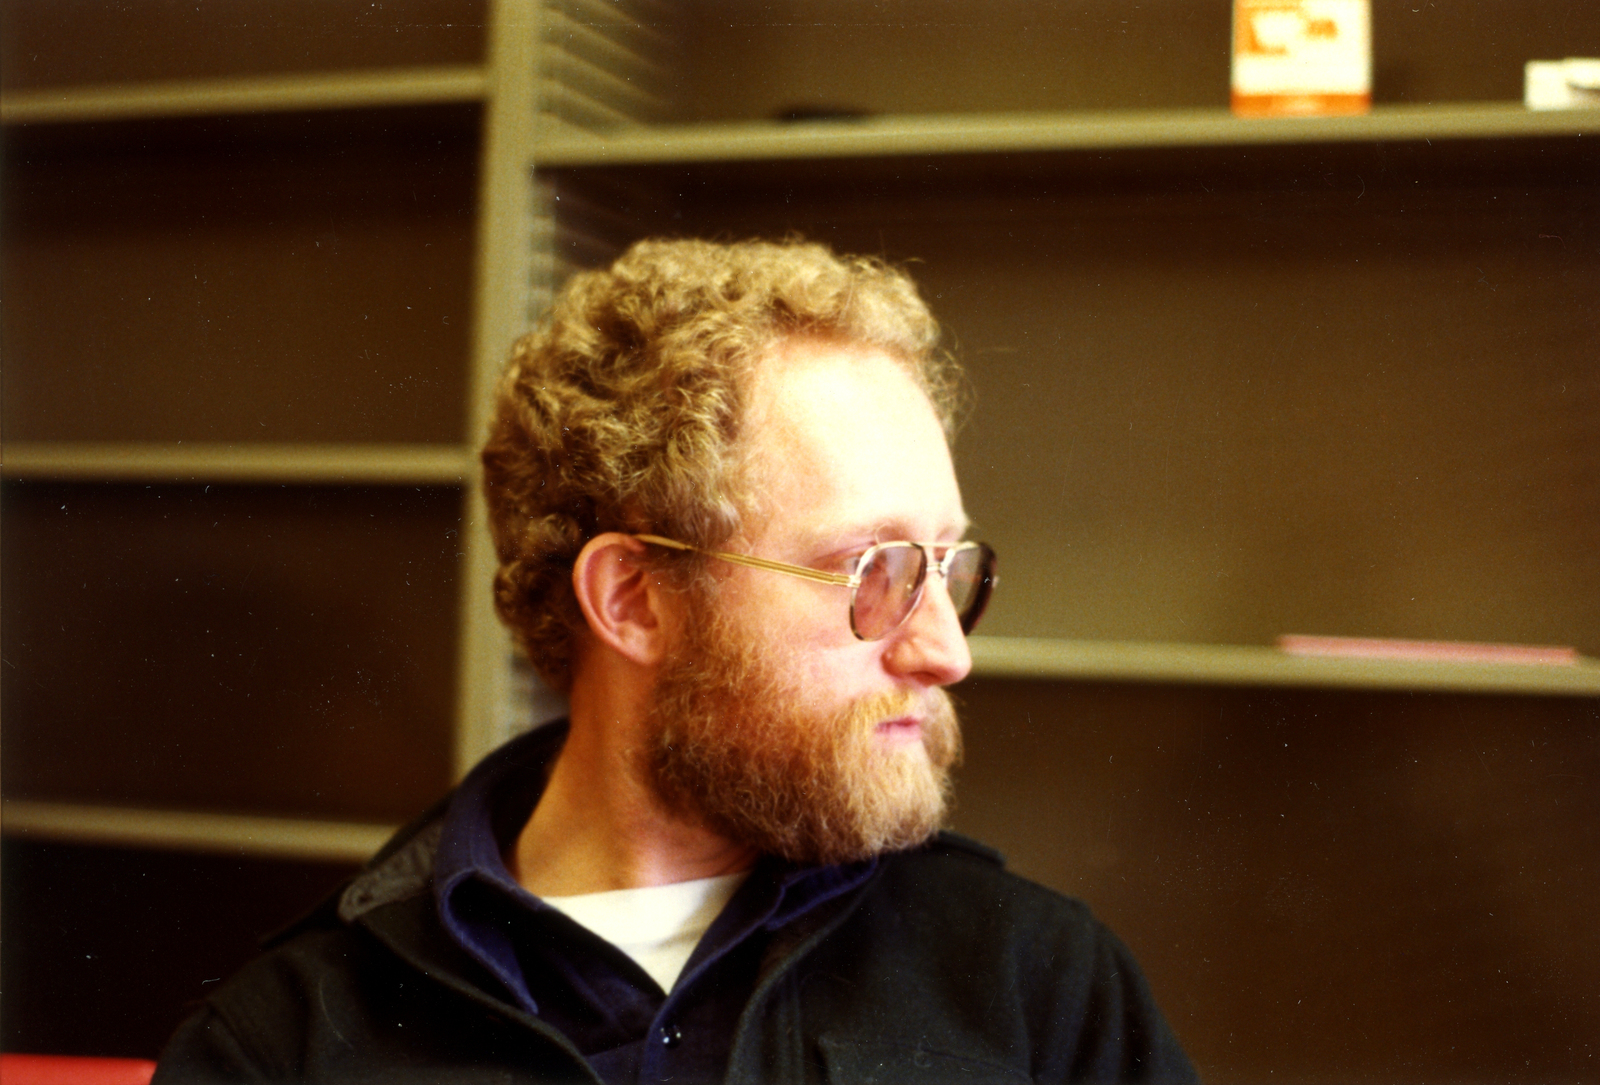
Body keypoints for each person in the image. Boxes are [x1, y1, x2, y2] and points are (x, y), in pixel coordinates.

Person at [154, 238, 1196, 1083]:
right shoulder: (284, 1046)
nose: (946, 650)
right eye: (872, 569)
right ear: (633, 598)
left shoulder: (1036, 984)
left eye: (946, 565)